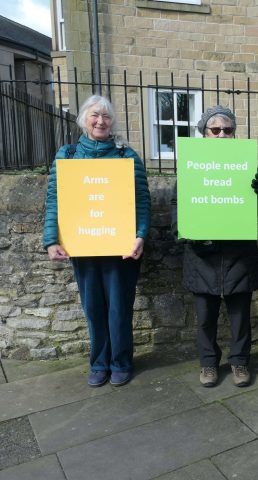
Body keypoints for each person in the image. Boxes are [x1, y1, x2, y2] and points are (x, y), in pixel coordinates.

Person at [43, 94, 151, 388]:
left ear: (112, 121)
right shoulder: (67, 155)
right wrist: (51, 239)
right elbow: (55, 200)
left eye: (106, 116)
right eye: (95, 115)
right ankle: (99, 363)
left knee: (119, 308)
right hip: (84, 245)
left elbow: (141, 201)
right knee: (93, 309)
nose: (101, 121)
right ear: (83, 120)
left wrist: (141, 235)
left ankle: (121, 362)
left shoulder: (126, 155)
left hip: (121, 249)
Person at [172, 105, 258, 388]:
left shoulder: (245, 164)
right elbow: (177, 206)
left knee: (240, 317)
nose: (222, 134)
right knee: (205, 318)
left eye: (228, 130)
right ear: (204, 134)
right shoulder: (192, 165)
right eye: (215, 130)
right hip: (202, 255)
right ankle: (208, 364)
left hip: (239, 255)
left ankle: (240, 362)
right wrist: (187, 234)